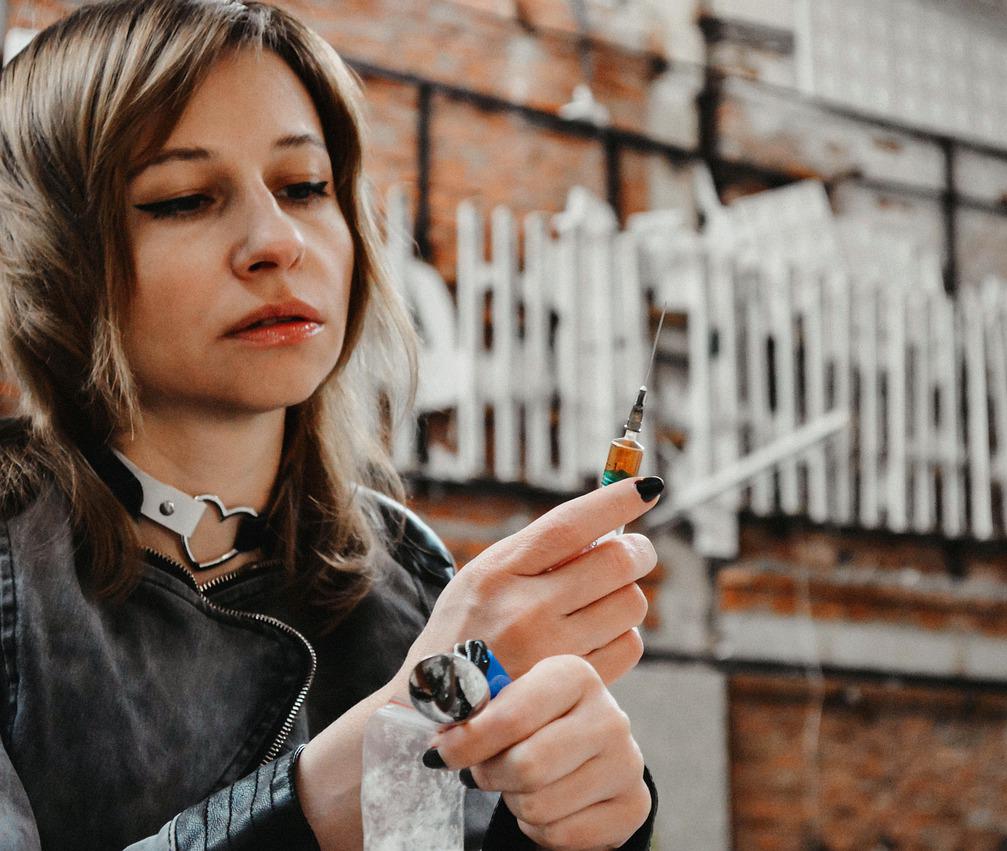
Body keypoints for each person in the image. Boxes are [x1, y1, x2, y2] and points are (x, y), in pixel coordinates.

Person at [0, 1, 660, 848]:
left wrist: (584, 822)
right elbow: (412, 731)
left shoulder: (408, 568)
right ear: (54, 256)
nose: (277, 241)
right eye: (185, 198)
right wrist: (373, 752)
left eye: (306, 187)